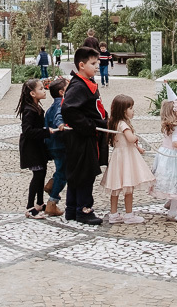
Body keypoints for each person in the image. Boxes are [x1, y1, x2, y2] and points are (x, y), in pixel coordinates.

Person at [61, 46, 108, 225]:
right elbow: (68, 108)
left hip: (85, 137)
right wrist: (88, 126)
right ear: (82, 65)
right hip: (82, 137)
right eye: (93, 63)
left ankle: (72, 209)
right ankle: (84, 210)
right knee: (85, 174)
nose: (97, 66)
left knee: (77, 173)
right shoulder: (79, 85)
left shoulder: (85, 82)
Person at [100, 94, 153, 224]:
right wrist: (135, 137)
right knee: (128, 186)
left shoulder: (114, 123)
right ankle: (129, 214)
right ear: (124, 110)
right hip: (126, 158)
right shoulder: (123, 124)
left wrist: (138, 148)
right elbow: (130, 139)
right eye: (131, 108)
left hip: (118, 157)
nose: (133, 110)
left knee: (116, 187)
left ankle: (114, 214)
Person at [18, 78, 54, 219]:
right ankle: (30, 207)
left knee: (42, 173)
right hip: (31, 148)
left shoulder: (36, 107)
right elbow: (27, 131)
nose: (44, 90)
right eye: (41, 89)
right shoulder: (29, 110)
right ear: (32, 93)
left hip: (38, 146)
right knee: (37, 175)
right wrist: (46, 131)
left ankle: (39, 203)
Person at [43, 78, 69, 216]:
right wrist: (61, 124)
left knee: (61, 170)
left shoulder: (50, 108)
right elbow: (59, 116)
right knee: (63, 173)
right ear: (61, 92)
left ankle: (51, 184)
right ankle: (52, 203)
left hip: (52, 145)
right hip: (60, 144)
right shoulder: (61, 104)